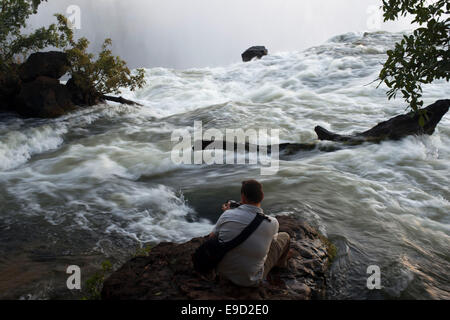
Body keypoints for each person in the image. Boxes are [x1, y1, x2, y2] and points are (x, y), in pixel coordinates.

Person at [210, 180, 291, 287]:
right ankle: (280, 266)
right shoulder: (272, 222)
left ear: (243, 197)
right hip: (251, 280)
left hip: (223, 273)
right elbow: (272, 242)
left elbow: (212, 237)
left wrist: (228, 213)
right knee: (285, 236)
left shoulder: (227, 214)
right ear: (262, 197)